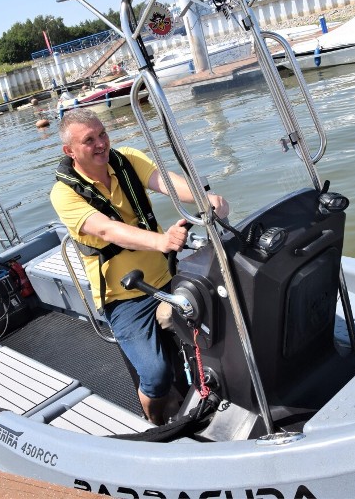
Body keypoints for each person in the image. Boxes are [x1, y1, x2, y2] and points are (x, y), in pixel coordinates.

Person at [49, 108, 228, 424]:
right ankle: (155, 421)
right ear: (70, 151)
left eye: (102, 134)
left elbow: (167, 182)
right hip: (124, 298)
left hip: (167, 274)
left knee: (224, 321)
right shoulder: (63, 194)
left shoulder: (126, 158)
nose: (101, 143)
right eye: (89, 140)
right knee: (156, 376)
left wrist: (206, 198)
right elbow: (106, 230)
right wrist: (160, 241)